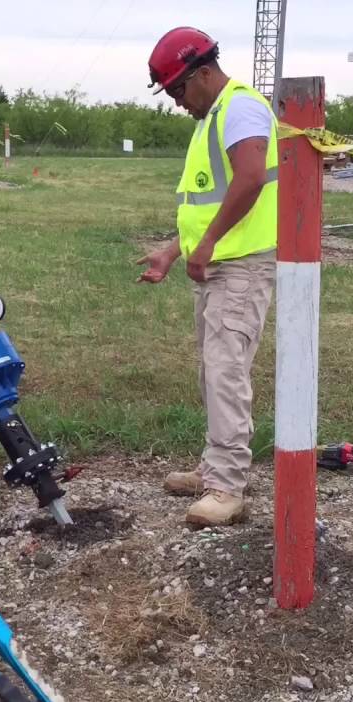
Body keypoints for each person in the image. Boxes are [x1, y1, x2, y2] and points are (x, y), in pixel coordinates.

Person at [136, 27, 279, 527]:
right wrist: (174, 251)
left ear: (202, 73)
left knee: (226, 372)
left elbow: (251, 179)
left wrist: (213, 242)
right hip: (220, 265)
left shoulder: (239, 108)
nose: (177, 102)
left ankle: (228, 487)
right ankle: (216, 467)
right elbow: (208, 202)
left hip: (240, 266)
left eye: (177, 90)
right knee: (213, 370)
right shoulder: (212, 117)